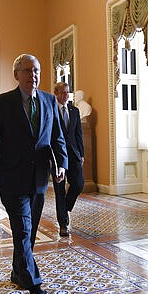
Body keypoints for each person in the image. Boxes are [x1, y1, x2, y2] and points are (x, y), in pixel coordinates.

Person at [0, 54, 67, 294]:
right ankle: (34, 285)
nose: (33, 75)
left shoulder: (50, 101)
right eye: (27, 70)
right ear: (16, 74)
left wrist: (61, 163)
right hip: (11, 177)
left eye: (36, 70)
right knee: (23, 229)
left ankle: (18, 272)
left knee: (27, 234)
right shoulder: (2, 102)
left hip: (39, 178)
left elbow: (57, 137)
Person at [53, 82, 84, 237]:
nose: (66, 95)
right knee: (59, 190)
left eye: (67, 92)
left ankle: (64, 208)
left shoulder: (74, 111)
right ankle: (63, 224)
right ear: (56, 93)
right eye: (63, 93)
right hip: (57, 156)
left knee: (78, 184)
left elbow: (79, 134)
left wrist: (82, 154)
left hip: (73, 154)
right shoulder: (51, 111)